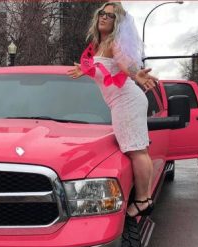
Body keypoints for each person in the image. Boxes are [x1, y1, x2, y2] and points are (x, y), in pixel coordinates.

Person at [67, 2, 158, 217]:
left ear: (118, 23)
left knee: (136, 150)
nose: (104, 17)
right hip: (120, 102)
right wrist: (84, 69)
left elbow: (125, 63)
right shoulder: (98, 44)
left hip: (127, 99)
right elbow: (102, 69)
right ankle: (143, 196)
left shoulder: (114, 43)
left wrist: (137, 74)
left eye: (111, 15)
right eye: (102, 13)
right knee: (136, 149)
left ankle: (143, 200)